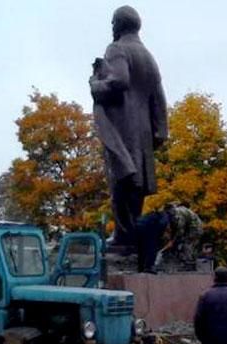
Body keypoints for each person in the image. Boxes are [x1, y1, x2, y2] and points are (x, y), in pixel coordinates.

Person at [90, 5, 168, 247]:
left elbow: (120, 81)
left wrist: (95, 84)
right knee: (136, 186)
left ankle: (124, 237)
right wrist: (160, 129)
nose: (112, 27)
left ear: (119, 25)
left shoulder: (117, 49)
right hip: (143, 130)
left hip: (123, 126)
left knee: (120, 180)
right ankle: (132, 234)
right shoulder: (148, 57)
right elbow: (159, 97)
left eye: (113, 23)